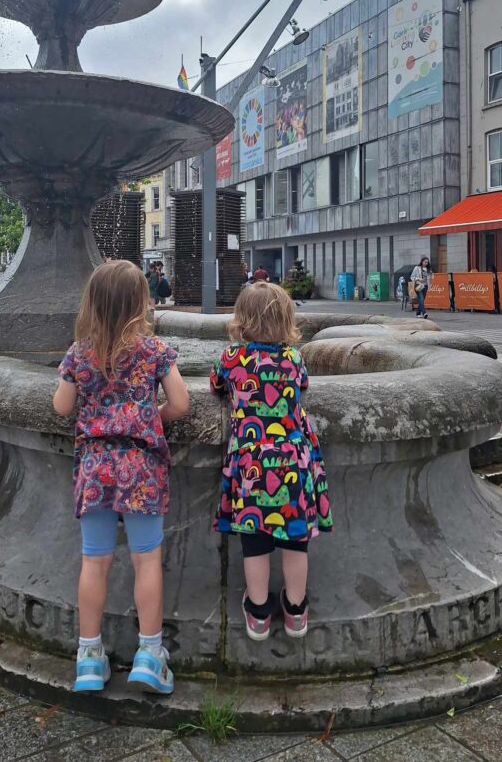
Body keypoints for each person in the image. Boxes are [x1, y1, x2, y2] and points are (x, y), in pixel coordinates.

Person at [53, 260, 190, 695]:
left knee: (95, 560)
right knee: (145, 559)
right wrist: (152, 418)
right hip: (140, 469)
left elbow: (61, 406)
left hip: (95, 468)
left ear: (91, 303)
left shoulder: (79, 352)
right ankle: (150, 655)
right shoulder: (152, 351)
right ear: (141, 303)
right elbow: (182, 404)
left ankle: (89, 658)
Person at [209, 281, 332, 641]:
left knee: (255, 540)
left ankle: (259, 611)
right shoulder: (294, 359)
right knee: (296, 541)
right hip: (293, 462)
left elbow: (215, 386)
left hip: (252, 465)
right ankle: (295, 611)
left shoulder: (231, 359)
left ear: (240, 321)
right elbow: (303, 386)